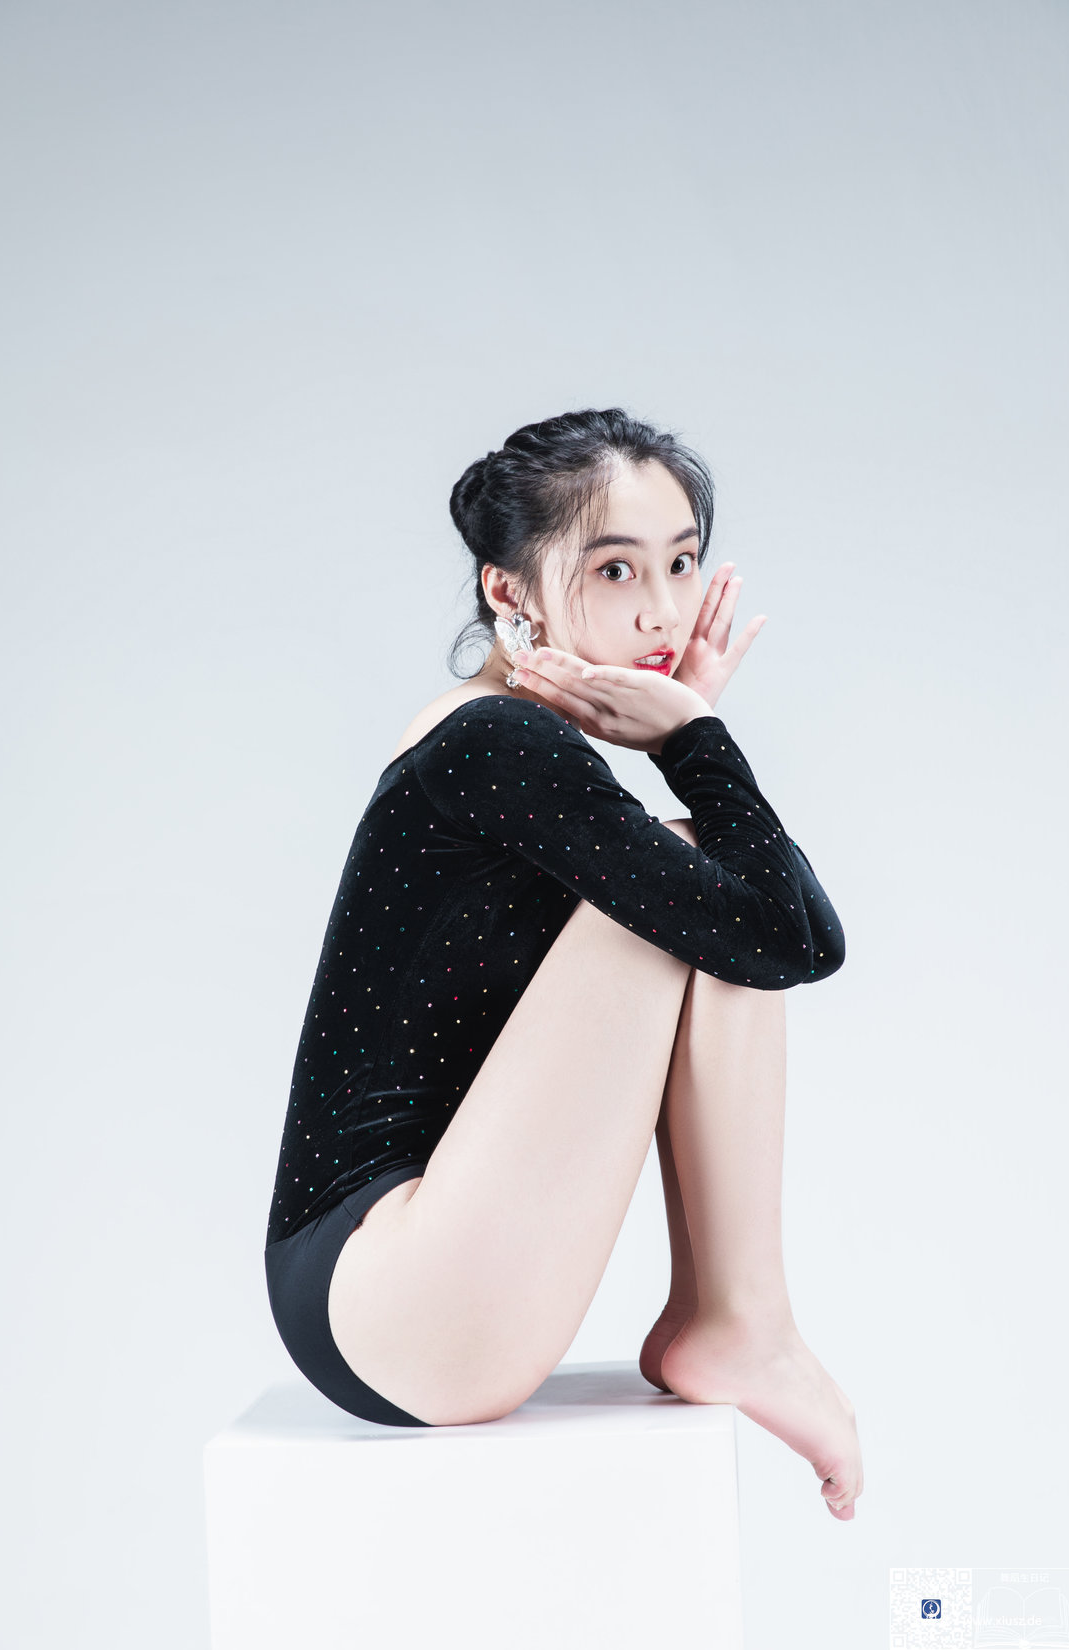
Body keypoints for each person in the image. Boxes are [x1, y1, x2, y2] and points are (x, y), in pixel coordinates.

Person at [264, 406, 863, 1520]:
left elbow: (778, 932)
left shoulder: (509, 742)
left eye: (680, 562)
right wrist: (692, 741)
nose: (662, 610)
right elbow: (791, 939)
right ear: (510, 591)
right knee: (705, 880)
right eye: (614, 569)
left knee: (708, 887)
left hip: (387, 1293)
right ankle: (740, 1321)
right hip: (385, 1297)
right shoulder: (498, 741)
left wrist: (690, 739)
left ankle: (733, 1317)